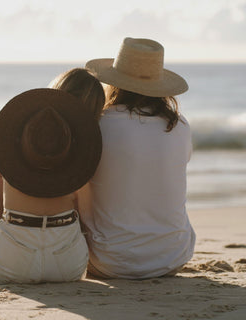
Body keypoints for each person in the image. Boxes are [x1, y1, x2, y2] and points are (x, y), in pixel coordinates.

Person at [78, 38, 196, 279]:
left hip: (109, 261)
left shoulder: (99, 125)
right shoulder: (180, 126)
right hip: (172, 257)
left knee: (76, 180)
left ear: (115, 83)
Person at [0, 86, 103, 284]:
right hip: (68, 265)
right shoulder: (76, 149)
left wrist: (5, 130)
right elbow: (86, 215)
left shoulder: (21, 138)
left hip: (11, 262)